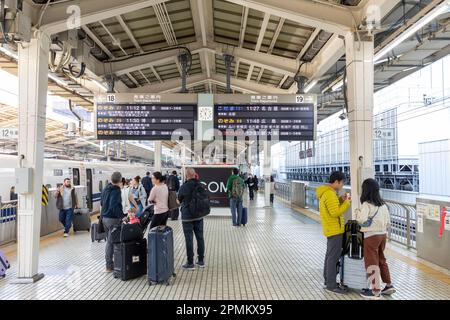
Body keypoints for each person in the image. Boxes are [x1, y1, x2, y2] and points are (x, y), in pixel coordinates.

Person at [355, 178, 396, 300]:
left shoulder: (366, 205)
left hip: (371, 236)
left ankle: (375, 290)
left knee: (371, 262)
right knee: (381, 259)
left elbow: (361, 220)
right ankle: (388, 285)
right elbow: (388, 221)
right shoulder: (383, 205)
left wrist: (357, 212)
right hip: (383, 235)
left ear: (365, 190)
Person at [316, 171, 351, 295]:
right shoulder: (329, 194)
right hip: (334, 230)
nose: (342, 185)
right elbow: (335, 213)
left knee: (330, 256)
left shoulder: (328, 193)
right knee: (333, 257)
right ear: (336, 182)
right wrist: (347, 203)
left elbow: (333, 208)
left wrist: (340, 200)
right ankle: (331, 284)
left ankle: (328, 280)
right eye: (342, 183)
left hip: (332, 229)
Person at [177, 167, 206, 270]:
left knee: (189, 239)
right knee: (200, 237)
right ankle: (201, 261)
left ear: (186, 175)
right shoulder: (200, 185)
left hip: (187, 217)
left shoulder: (184, 187)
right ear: (194, 174)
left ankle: (190, 263)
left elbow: (179, 200)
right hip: (199, 215)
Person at [100, 172, 124, 273]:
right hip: (113, 219)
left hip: (104, 218)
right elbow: (114, 205)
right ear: (120, 180)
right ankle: (109, 266)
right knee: (111, 243)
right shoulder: (116, 190)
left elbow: (101, 202)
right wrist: (121, 216)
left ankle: (112, 264)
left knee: (109, 242)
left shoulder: (106, 188)